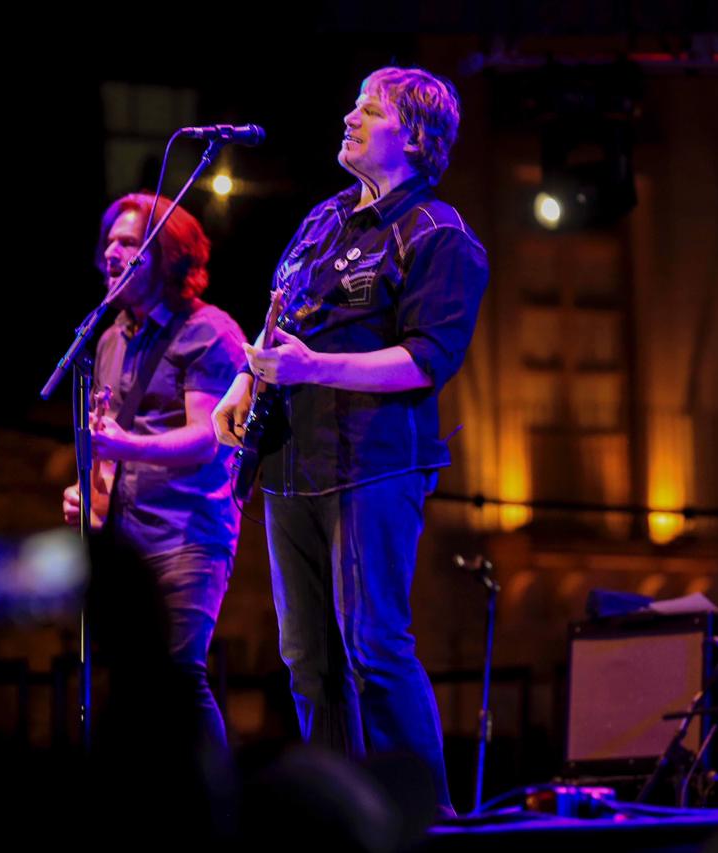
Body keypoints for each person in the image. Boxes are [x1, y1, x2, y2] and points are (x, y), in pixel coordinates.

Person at [211, 66, 489, 813]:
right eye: (355, 102)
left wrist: (312, 365)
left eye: (372, 107)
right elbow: (283, 317)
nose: (350, 115)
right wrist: (247, 379)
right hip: (291, 466)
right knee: (307, 660)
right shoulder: (323, 220)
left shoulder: (439, 235)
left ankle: (426, 819)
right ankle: (338, 816)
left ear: (418, 136)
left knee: (375, 646)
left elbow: (425, 359)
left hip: (372, 467)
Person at [63, 193, 246, 748]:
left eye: (128, 242)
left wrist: (124, 444)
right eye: (109, 242)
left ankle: (224, 809)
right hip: (128, 539)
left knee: (181, 674)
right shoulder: (113, 337)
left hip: (187, 534)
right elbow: (111, 440)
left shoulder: (209, 332)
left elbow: (210, 438)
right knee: (140, 684)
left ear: (167, 254)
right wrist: (86, 491)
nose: (112, 253)